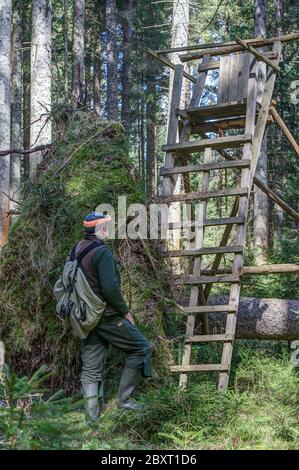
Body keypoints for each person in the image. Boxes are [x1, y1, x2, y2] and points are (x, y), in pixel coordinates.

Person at [71, 212, 152, 422]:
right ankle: (124, 401)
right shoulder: (102, 252)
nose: (108, 230)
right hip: (107, 316)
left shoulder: (76, 250)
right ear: (99, 230)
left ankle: (92, 418)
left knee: (90, 368)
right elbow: (110, 288)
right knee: (141, 348)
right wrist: (125, 312)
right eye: (106, 227)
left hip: (85, 318)